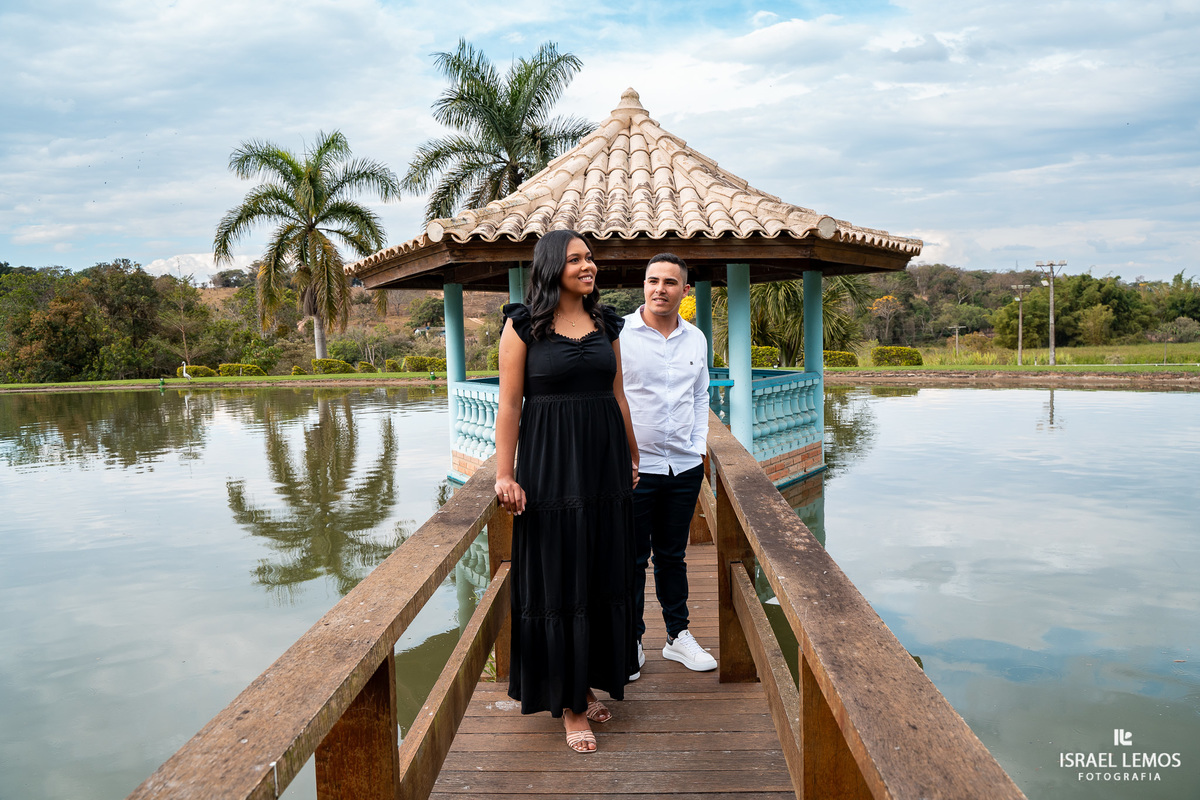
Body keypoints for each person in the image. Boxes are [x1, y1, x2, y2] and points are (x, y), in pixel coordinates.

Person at [493, 229, 641, 754]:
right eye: (576, 258)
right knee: (560, 575)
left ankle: (586, 683)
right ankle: (571, 708)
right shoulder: (523, 325)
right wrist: (504, 474)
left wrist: (632, 452)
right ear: (552, 265)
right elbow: (510, 405)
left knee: (601, 569)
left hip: (604, 468)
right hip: (551, 467)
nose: (589, 265)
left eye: (591, 257)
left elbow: (618, 394)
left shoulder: (607, 323)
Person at [619, 253, 718, 677]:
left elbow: (700, 397)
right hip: (635, 470)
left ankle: (678, 636)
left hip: (682, 466)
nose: (660, 289)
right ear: (643, 285)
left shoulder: (695, 338)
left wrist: (698, 447)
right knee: (632, 558)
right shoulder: (619, 334)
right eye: (652, 280)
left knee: (673, 556)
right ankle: (632, 639)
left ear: (684, 290)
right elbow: (611, 397)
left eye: (670, 283)